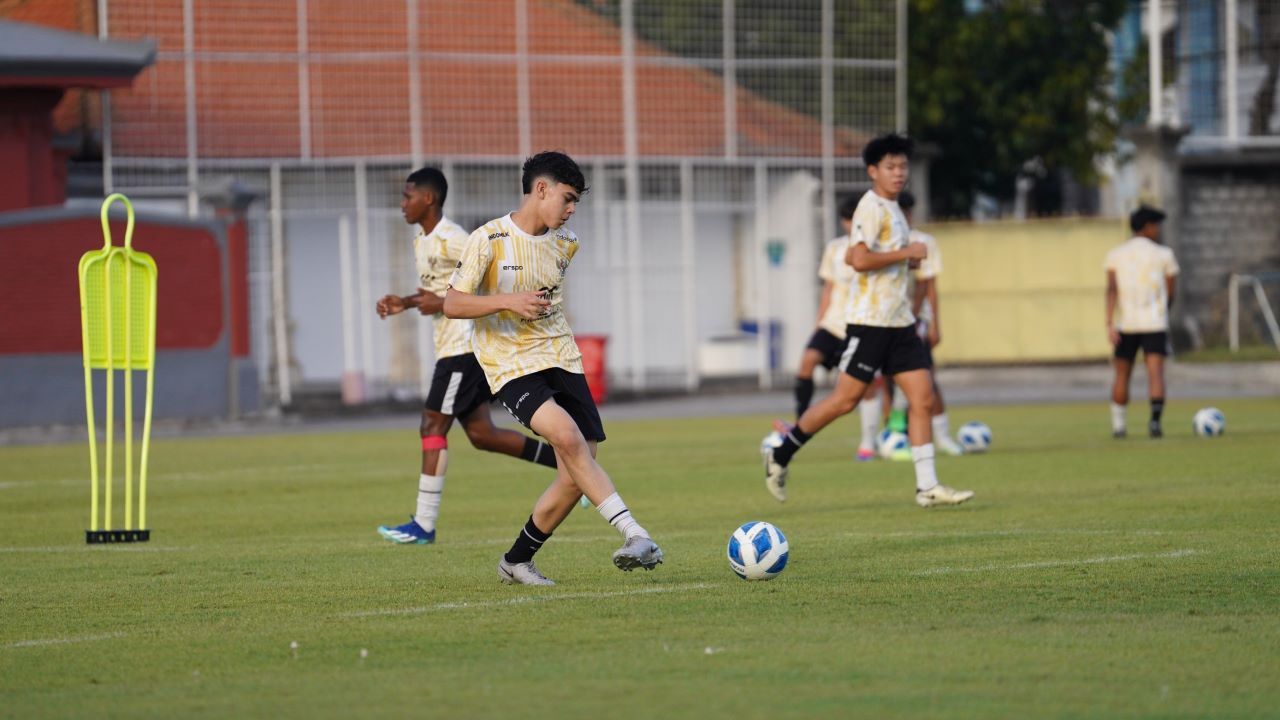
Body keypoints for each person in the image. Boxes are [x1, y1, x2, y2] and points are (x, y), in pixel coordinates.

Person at [444, 151, 663, 585]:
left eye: (576, 202)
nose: (571, 209)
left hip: (561, 356)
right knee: (567, 437)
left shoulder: (567, 244)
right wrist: (508, 300)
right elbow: (452, 303)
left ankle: (516, 561)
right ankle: (634, 533)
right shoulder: (488, 240)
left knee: (577, 471)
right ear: (540, 189)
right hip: (509, 363)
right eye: (567, 198)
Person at [759, 134, 974, 508]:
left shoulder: (893, 210)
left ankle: (927, 487)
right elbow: (857, 259)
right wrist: (906, 252)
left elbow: (880, 259)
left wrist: (904, 259)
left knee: (922, 398)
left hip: (900, 322)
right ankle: (782, 453)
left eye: (903, 166)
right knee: (845, 401)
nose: (898, 173)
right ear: (873, 171)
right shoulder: (871, 207)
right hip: (870, 323)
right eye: (890, 167)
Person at [375, 167, 559, 546]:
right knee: (481, 435)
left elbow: (491, 275)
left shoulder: (455, 238)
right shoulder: (422, 241)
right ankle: (568, 466)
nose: (402, 204)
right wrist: (407, 302)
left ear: (428, 199)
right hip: (451, 347)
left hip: (463, 348)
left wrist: (443, 302)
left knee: (431, 426)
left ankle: (424, 525)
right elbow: (441, 292)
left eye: (408, 196)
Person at [779, 197, 882, 461]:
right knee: (807, 362)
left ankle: (868, 444)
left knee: (864, 388)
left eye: (854, 219)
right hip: (832, 324)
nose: (850, 225)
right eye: (846, 220)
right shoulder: (834, 249)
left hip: (859, 325)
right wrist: (819, 321)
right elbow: (828, 288)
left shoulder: (875, 248)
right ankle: (801, 423)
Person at [886, 190, 964, 457]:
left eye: (906, 212)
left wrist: (933, 324)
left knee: (926, 377)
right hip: (883, 320)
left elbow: (927, 286)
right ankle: (893, 434)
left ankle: (941, 434)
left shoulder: (921, 241)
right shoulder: (883, 240)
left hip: (912, 321)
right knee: (886, 380)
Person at [1105, 205, 1179, 439]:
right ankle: (1155, 424)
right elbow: (1170, 291)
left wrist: (1109, 322)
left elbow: (1112, 290)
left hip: (1126, 323)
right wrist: (1162, 312)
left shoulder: (1116, 254)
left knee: (1121, 373)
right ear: (1147, 227)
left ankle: (1119, 426)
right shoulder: (1164, 254)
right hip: (1154, 323)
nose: (1157, 230)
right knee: (1155, 372)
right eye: (1155, 225)